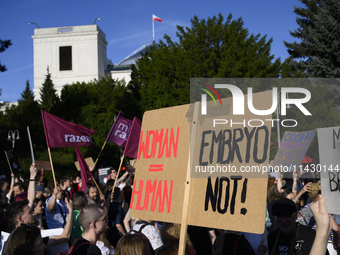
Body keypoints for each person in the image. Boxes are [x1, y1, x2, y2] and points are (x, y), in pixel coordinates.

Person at [260, 198, 328, 255]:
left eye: (287, 216)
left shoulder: (310, 235)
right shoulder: (272, 237)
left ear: (296, 216)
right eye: (280, 217)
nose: (284, 221)